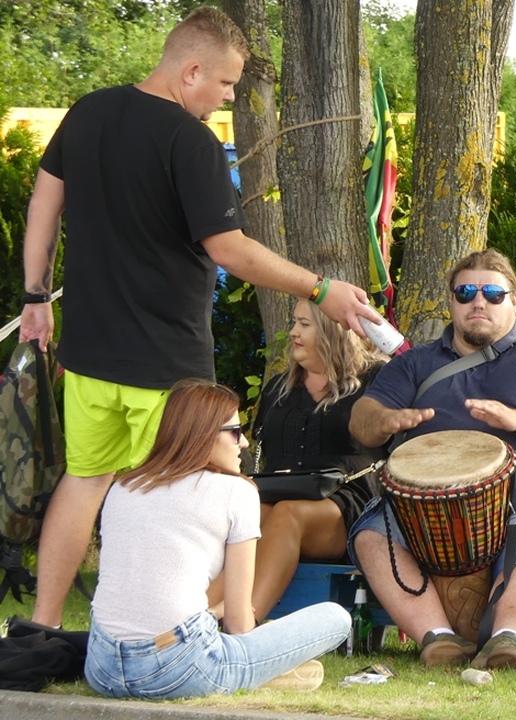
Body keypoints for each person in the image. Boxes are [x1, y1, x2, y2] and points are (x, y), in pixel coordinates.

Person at [17, 7, 385, 629]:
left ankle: (42, 628)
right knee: (192, 489)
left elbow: (43, 205)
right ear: (191, 72)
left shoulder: (86, 113)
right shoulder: (191, 141)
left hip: (88, 355)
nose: (228, 97)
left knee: (84, 481)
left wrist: (35, 298)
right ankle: (177, 634)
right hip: (167, 360)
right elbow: (230, 250)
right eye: (226, 83)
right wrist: (321, 289)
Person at [348, 248, 516, 670]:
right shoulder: (415, 364)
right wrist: (386, 420)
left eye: (492, 294)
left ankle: (507, 640)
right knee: (372, 533)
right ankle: (437, 639)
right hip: (423, 516)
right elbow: (362, 419)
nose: (478, 302)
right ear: (451, 302)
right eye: (465, 292)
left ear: (515, 303)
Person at [84, 379, 349, 699]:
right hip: (180, 667)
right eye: (235, 432)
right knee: (337, 617)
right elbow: (238, 623)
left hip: (102, 666)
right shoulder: (237, 491)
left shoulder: (124, 486)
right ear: (204, 434)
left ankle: (249, 663)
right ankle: (258, 671)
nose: (245, 443)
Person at [209, 300, 389, 622]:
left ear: (333, 329)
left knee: (288, 514)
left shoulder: (377, 379)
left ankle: (243, 628)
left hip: (349, 502)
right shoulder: (279, 388)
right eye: (294, 322)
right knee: (253, 514)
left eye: (304, 324)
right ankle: (193, 620)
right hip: (280, 493)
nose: (293, 332)